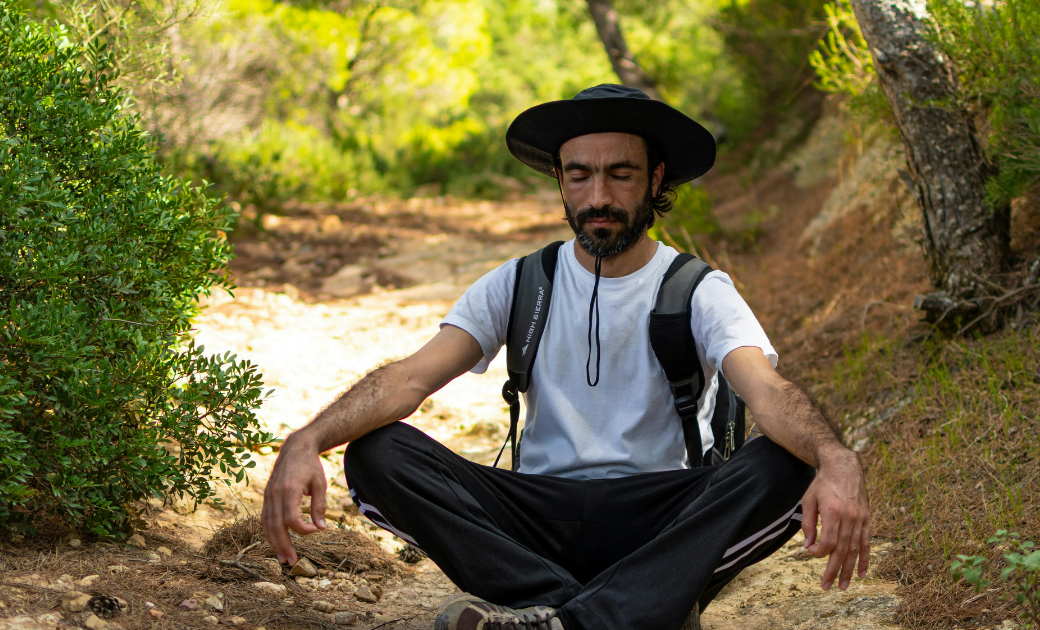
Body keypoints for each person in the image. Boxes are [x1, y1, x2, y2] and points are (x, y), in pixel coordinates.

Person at [261, 84, 871, 630]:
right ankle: (621, 610)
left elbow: (765, 390)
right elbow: (408, 379)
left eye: (620, 175)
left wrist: (836, 457)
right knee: (377, 452)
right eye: (579, 176)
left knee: (788, 462)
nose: (598, 196)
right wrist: (308, 439)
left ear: (656, 179)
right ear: (560, 180)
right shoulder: (521, 281)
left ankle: (565, 619)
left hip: (663, 521)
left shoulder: (698, 289)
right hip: (536, 520)